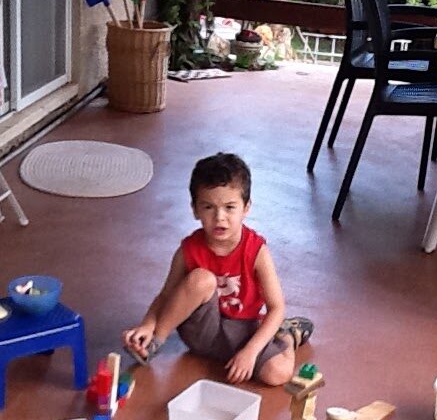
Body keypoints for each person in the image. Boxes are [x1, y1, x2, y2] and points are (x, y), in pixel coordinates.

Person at [122, 152, 312, 385]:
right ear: (195, 209)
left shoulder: (257, 251)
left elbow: (276, 307)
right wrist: (148, 325)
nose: (219, 217)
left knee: (277, 374)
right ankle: (153, 344)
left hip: (243, 332)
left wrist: (250, 352)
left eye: (230, 207)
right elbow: (165, 295)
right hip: (202, 333)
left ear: (246, 208)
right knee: (202, 279)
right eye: (208, 207)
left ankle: (287, 336)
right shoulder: (188, 250)